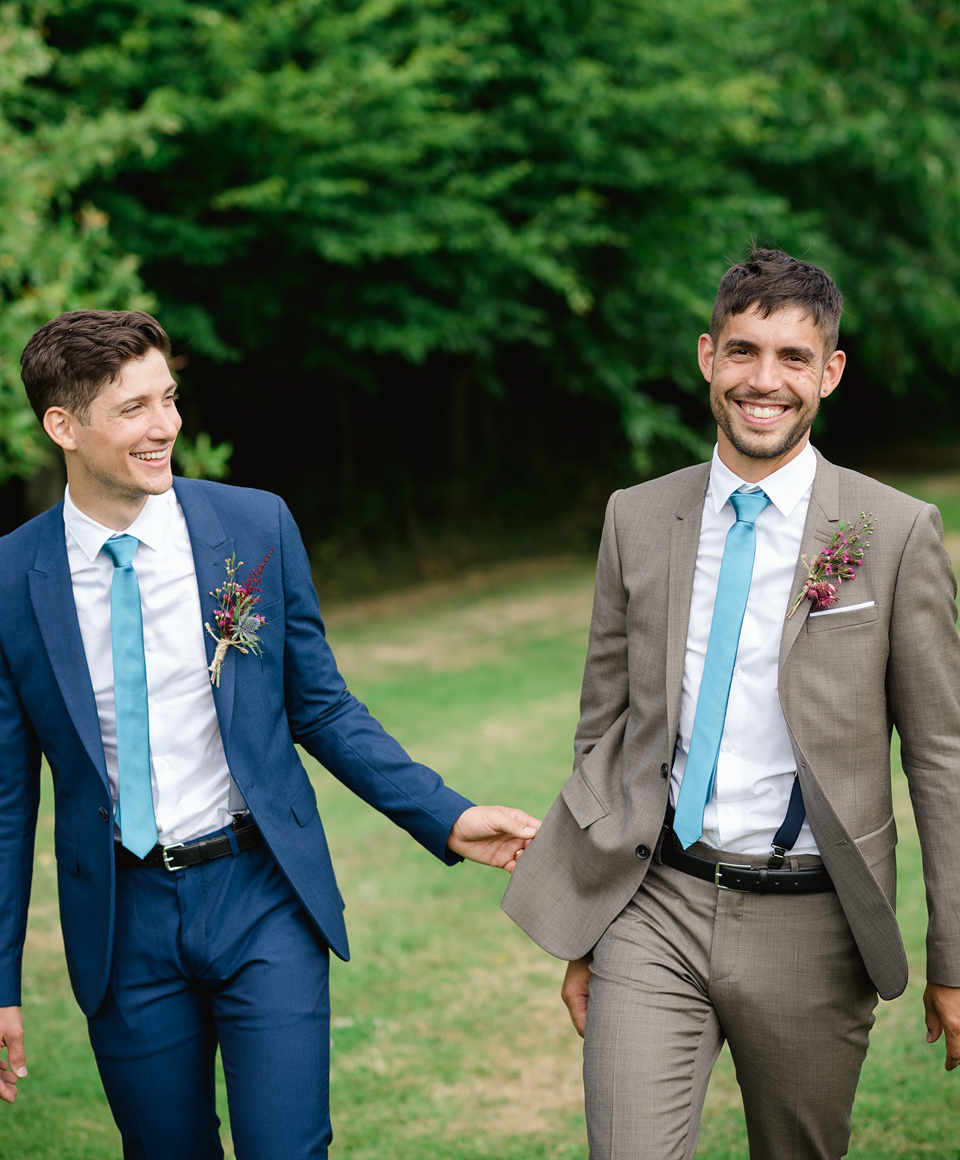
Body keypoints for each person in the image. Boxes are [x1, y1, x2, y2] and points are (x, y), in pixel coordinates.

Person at [0, 309, 539, 1159]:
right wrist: (1, 985)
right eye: (134, 408)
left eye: (169, 398)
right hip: (121, 920)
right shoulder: (10, 581)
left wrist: (443, 813)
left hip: (262, 895)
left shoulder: (253, 529)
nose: (166, 426)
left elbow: (320, 707)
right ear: (63, 426)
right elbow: (6, 799)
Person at [502, 248, 960, 1159]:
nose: (765, 380)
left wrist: (955, 951)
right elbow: (605, 731)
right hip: (655, 902)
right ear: (708, 357)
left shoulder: (895, 530)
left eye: (794, 358)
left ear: (828, 373)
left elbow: (941, 754)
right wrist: (588, 925)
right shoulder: (637, 516)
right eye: (745, 351)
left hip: (815, 919)